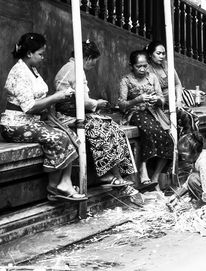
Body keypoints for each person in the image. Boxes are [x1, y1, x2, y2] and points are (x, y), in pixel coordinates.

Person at [0, 33, 87, 202]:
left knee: (70, 133)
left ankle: (62, 184)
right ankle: (55, 186)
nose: (43, 57)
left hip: (31, 121)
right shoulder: (19, 72)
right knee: (58, 137)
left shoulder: (32, 70)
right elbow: (30, 107)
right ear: (29, 53)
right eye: (40, 53)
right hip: (15, 124)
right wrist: (56, 97)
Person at [54, 40, 137, 194]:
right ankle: (111, 176)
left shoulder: (67, 67)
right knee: (108, 128)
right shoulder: (77, 70)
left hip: (67, 114)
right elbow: (84, 102)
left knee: (112, 127)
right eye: (93, 62)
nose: (93, 66)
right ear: (88, 58)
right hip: (68, 117)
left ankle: (115, 175)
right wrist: (97, 103)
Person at [118, 50, 174, 186]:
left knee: (168, 140)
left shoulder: (152, 78)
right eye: (139, 66)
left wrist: (156, 100)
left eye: (145, 66)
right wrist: (137, 100)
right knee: (148, 131)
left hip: (154, 113)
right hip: (134, 113)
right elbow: (121, 105)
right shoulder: (126, 80)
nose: (142, 69)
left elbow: (162, 98)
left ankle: (155, 177)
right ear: (131, 65)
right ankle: (143, 169)